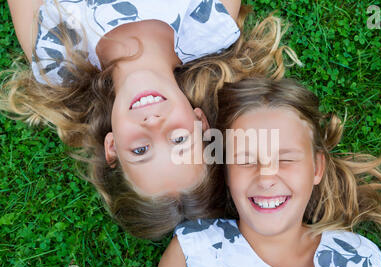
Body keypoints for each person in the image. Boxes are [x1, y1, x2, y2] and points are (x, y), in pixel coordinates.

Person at [1, 1, 300, 238]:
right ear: (200, 123)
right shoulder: (209, 20)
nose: (154, 123)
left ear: (112, 147)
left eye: (141, 150)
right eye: (179, 140)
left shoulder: (57, 56)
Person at [154, 78, 381, 267]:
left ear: (317, 168)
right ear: (227, 173)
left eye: (285, 159)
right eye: (245, 160)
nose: (266, 177)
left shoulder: (354, 260)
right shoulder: (192, 252)